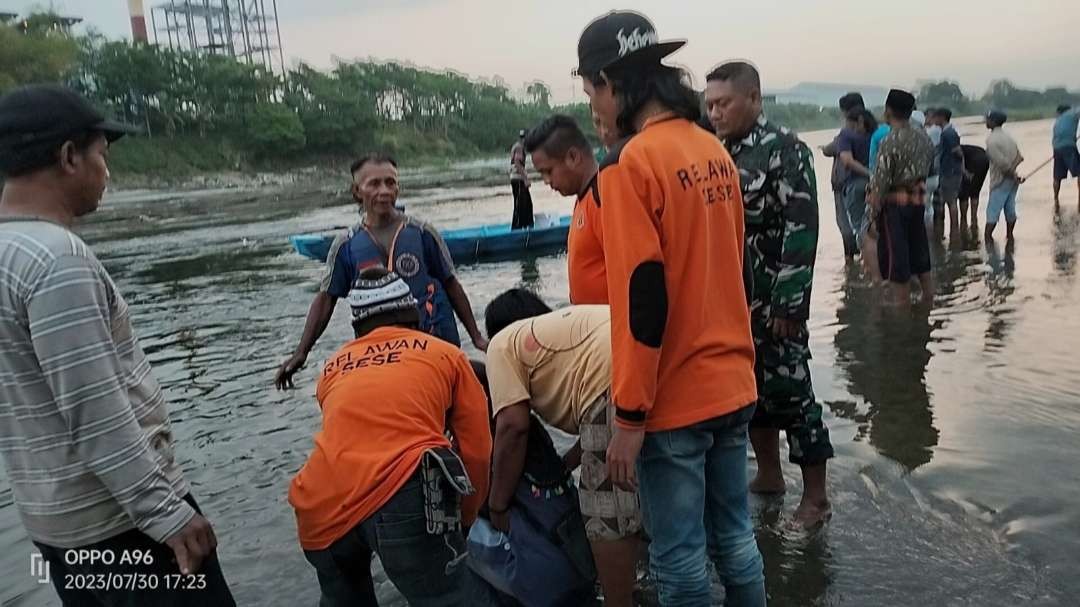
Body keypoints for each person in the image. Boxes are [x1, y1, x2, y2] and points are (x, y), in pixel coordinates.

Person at [0, 84, 235, 606]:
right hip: (122, 522)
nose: (107, 174)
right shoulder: (54, 260)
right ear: (68, 157)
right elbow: (94, 408)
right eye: (102, 157)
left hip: (55, 524)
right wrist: (165, 512)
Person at [576, 10, 764, 606]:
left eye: (591, 94)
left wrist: (629, 419)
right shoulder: (712, 150)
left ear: (612, 83)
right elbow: (739, 269)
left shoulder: (630, 165)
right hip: (734, 383)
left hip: (675, 399)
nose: (593, 110)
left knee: (678, 558)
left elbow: (643, 295)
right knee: (736, 538)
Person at [289, 267, 491, 606]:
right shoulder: (446, 355)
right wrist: (465, 521)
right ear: (412, 315)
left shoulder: (332, 368)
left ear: (357, 329)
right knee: (449, 598)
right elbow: (477, 451)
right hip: (406, 490)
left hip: (320, 504)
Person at [705, 61, 834, 527]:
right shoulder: (715, 153)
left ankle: (816, 497)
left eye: (725, 103)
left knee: (794, 392)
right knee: (749, 389)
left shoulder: (785, 150)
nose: (715, 112)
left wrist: (789, 303)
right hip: (734, 302)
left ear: (754, 99)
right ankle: (769, 475)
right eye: (710, 104)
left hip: (775, 298)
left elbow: (803, 228)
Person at [275, 154, 488, 389]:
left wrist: (476, 336)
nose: (385, 190)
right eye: (374, 184)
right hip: (382, 357)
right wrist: (301, 352)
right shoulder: (346, 245)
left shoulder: (422, 233)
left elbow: (451, 284)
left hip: (434, 343)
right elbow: (326, 300)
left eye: (391, 182)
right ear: (357, 191)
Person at [484, 291, 640, 607]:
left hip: (611, 381)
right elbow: (594, 426)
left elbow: (513, 427)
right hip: (646, 364)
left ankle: (618, 600)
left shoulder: (501, 345)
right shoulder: (566, 326)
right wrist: (567, 463)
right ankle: (643, 580)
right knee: (639, 490)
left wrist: (497, 504)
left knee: (604, 514)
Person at [523, 115, 606, 304]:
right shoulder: (582, 199)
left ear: (573, 157)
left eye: (548, 171)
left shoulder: (602, 197)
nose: (546, 181)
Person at [868, 89, 936, 306]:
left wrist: (872, 215)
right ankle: (928, 300)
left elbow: (880, 183)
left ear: (888, 111)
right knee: (921, 252)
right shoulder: (924, 137)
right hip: (918, 202)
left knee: (898, 260)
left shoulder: (889, 141)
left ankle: (902, 310)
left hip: (895, 207)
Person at [822, 92, 866, 260]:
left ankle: (852, 266)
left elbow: (830, 149)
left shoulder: (848, 131)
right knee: (865, 225)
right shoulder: (870, 127)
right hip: (863, 183)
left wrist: (826, 147)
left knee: (846, 226)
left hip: (844, 185)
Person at [839, 106, 881, 280]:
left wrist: (867, 173)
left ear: (856, 122)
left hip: (856, 185)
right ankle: (876, 268)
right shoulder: (877, 134)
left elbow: (847, 161)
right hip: (876, 187)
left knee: (861, 230)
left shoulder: (846, 135)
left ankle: (873, 275)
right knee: (874, 228)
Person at [984, 110, 1025, 241]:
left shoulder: (991, 141)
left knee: (992, 213)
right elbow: (1019, 157)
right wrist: (1014, 175)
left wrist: (1011, 173)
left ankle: (988, 241)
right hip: (1012, 180)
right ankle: (1010, 237)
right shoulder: (1009, 138)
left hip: (1000, 180)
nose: (986, 121)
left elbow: (1002, 164)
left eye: (988, 119)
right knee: (1010, 210)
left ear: (993, 122)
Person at [934, 108, 965, 233]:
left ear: (942, 117)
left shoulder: (948, 133)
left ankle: (954, 230)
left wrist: (960, 167)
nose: (934, 119)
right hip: (950, 171)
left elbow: (957, 151)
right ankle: (954, 230)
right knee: (950, 201)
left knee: (951, 202)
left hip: (950, 172)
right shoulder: (948, 132)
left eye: (936, 116)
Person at [1052, 104, 1080, 208]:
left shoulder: (1057, 121)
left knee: (1057, 177)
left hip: (1057, 149)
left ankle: (1056, 199)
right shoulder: (1072, 113)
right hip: (1069, 147)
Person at [960, 144, 991, 230]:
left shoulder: (953, 149)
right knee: (975, 191)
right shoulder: (966, 148)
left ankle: (963, 219)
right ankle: (974, 218)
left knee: (964, 193)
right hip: (985, 159)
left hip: (975, 161)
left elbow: (959, 156)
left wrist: (964, 171)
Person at [510, 130, 535, 229]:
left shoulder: (516, 146)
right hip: (518, 179)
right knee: (522, 205)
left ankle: (524, 226)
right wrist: (525, 178)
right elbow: (517, 161)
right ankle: (519, 228)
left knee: (522, 204)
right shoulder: (520, 147)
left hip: (515, 178)